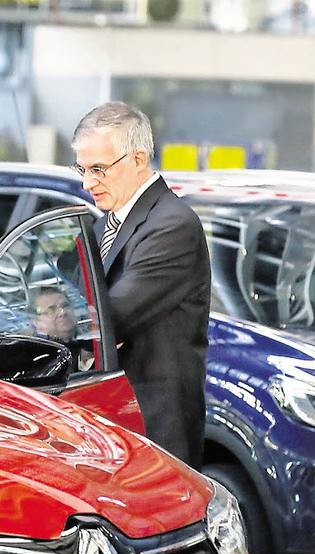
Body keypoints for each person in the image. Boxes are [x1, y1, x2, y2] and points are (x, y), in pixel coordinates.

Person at [72, 101, 211, 469]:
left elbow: (109, 318)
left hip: (155, 428)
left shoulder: (172, 225)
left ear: (137, 159)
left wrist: (58, 323)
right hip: (111, 422)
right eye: (82, 169)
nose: (88, 183)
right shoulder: (104, 225)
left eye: (99, 169)